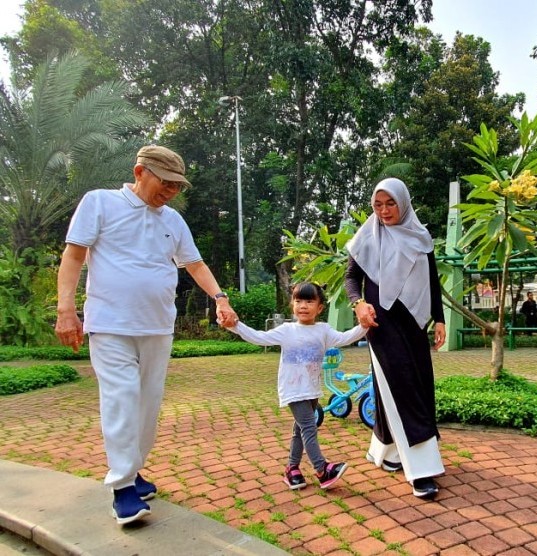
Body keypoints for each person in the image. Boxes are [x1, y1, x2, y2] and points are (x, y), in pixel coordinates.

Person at [54, 145, 239, 526]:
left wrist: (220, 298)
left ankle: (134, 470)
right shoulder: (100, 203)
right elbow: (73, 256)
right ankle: (122, 487)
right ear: (140, 172)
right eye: (165, 182)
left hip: (157, 326)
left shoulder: (172, 219)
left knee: (147, 405)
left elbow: (195, 263)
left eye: (177, 186)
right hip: (111, 324)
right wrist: (65, 310)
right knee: (121, 399)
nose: (171, 191)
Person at [344, 177, 446, 500]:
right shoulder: (367, 236)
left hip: (414, 325)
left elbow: (432, 280)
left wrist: (440, 318)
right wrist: (358, 304)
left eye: (391, 204)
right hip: (381, 324)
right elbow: (351, 278)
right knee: (402, 388)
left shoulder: (420, 236)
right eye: (378, 204)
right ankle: (422, 470)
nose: (384, 211)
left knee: (414, 386)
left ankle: (387, 453)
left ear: (403, 203)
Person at [220, 282, 368, 491]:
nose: (303, 306)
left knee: (300, 430)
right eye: (298, 301)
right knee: (309, 427)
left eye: (309, 301)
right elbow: (258, 337)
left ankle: (292, 469)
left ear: (320, 308)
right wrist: (235, 325)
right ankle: (322, 469)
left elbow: (345, 338)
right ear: (292, 304)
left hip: (312, 388)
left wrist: (364, 325)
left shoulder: (323, 330)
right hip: (293, 389)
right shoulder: (287, 330)